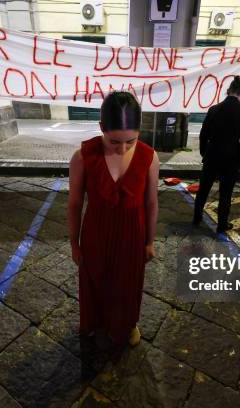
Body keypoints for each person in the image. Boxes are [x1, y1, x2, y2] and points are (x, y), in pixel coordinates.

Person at [67, 91, 159, 357]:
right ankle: (97, 324)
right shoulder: (83, 156)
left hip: (133, 234)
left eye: (130, 141)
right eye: (114, 141)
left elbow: (152, 203)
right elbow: (74, 204)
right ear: (101, 129)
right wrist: (74, 243)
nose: (122, 148)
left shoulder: (149, 157)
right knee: (96, 281)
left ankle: (126, 325)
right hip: (96, 232)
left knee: (127, 285)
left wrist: (150, 241)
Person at [193, 76, 240, 232]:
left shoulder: (214, 108)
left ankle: (197, 217)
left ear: (229, 90)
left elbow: (203, 134)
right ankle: (222, 224)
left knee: (204, 189)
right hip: (231, 157)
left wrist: (204, 152)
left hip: (212, 155)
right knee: (226, 193)